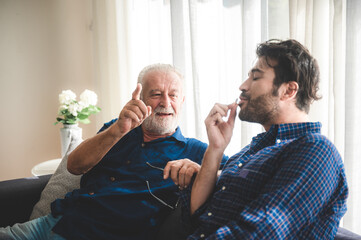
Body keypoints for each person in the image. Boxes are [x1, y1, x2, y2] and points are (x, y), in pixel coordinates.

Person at [0, 64, 227, 240]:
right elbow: (74, 165)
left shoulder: (195, 150)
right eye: (156, 94)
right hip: (57, 221)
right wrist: (117, 130)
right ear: (139, 98)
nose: (165, 102)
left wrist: (202, 171)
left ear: (183, 101)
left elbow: (236, 174)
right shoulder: (117, 127)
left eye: (173, 95)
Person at [178, 39, 348, 239]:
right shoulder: (251, 151)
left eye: (255, 78)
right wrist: (215, 149)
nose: (243, 86)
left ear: (288, 91)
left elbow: (261, 232)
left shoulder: (316, 151)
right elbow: (199, 214)